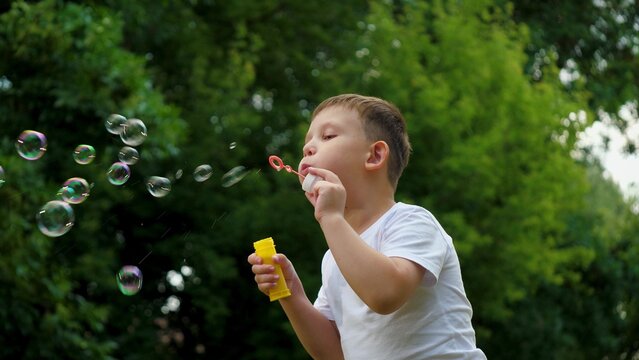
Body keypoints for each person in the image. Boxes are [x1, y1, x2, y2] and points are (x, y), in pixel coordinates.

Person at [248, 94, 486, 359]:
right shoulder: (334, 257)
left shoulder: (413, 222)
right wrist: (291, 292)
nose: (308, 149)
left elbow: (385, 294)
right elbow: (332, 353)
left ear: (374, 155)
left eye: (327, 137)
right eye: (307, 143)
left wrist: (331, 218)